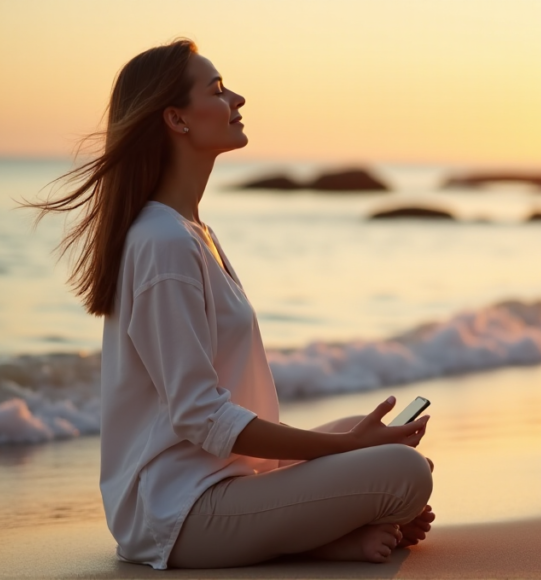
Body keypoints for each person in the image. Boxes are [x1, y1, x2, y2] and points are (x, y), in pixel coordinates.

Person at [24, 38, 435, 570]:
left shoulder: (192, 232)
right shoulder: (163, 243)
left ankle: (331, 528)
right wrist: (341, 454)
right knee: (405, 473)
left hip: (228, 479)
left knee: (377, 441)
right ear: (176, 119)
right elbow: (200, 414)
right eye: (217, 90)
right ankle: (325, 537)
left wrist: (347, 448)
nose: (237, 98)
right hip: (179, 512)